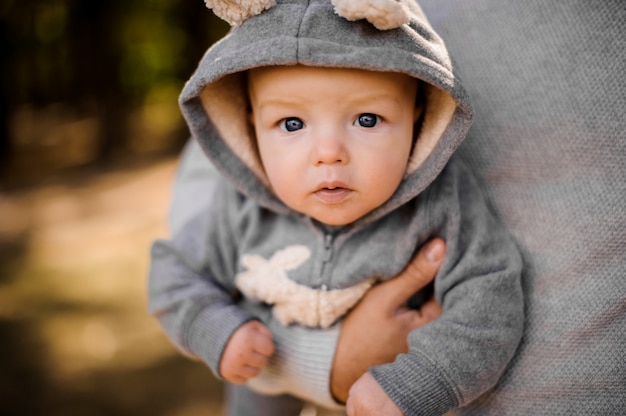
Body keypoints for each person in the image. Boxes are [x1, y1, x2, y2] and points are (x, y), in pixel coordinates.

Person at [148, 1, 524, 415]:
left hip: (391, 388)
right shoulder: (240, 205)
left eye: (366, 119)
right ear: (250, 122)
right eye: (292, 124)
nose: (329, 154)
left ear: (418, 116)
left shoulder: (441, 198)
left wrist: (426, 376)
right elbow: (174, 273)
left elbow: (490, 296)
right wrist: (212, 327)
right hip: (261, 379)